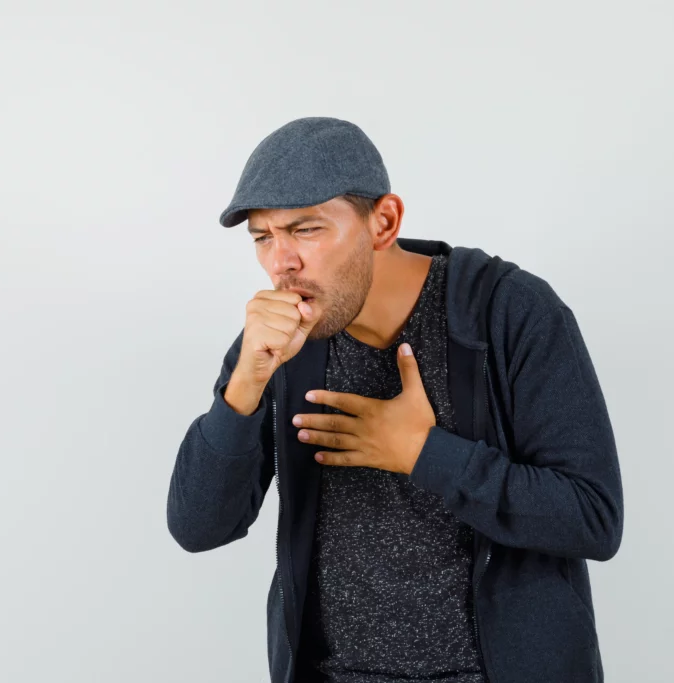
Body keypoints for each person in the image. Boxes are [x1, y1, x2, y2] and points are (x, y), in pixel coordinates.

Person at [166, 117, 623, 683]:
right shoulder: (278, 341)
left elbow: (593, 518)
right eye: (263, 236)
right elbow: (198, 527)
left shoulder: (511, 314)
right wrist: (244, 389)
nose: (281, 262)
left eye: (306, 229)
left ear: (383, 222)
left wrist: (424, 453)